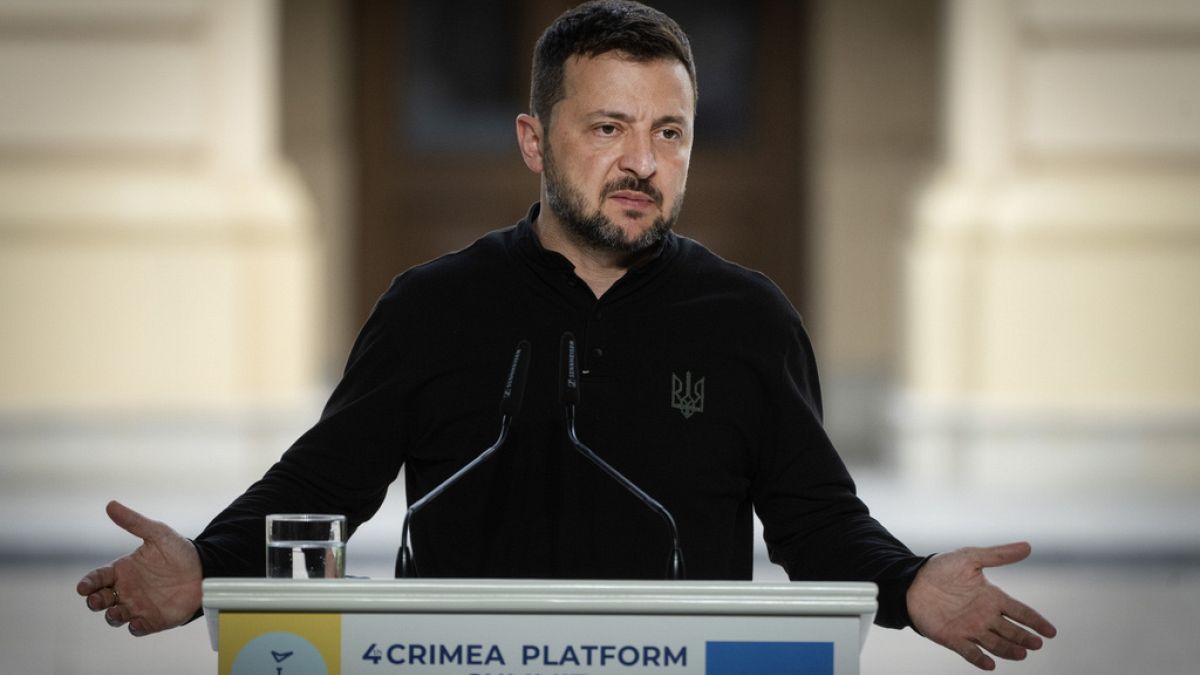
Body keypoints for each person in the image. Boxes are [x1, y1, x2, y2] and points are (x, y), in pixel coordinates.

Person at [77, 1, 1055, 670]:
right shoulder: (433, 306)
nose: (643, 162)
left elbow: (815, 521)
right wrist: (206, 570)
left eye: (669, 133)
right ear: (534, 141)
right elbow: (320, 493)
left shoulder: (749, 320)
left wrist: (908, 583)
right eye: (608, 129)